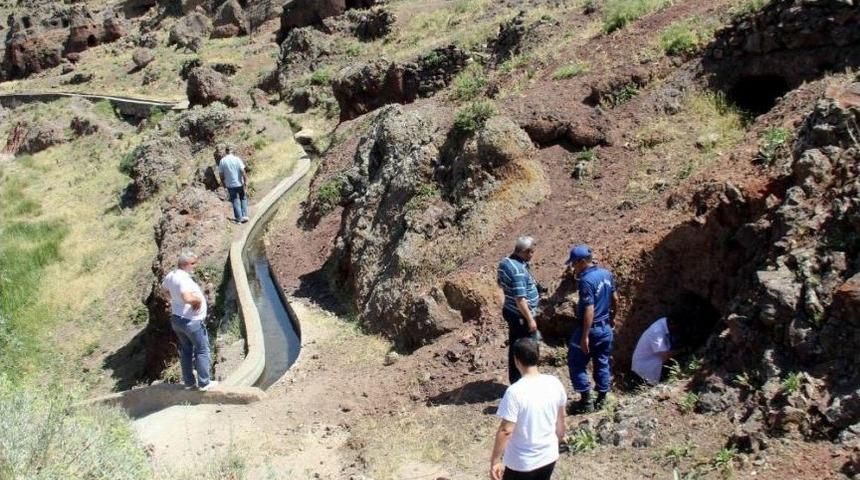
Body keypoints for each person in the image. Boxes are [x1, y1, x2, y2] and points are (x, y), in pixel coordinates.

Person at [490, 338, 566, 480]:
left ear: (516, 360)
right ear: (538, 356)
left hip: (522, 463)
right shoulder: (554, 383)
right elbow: (561, 418)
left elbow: (506, 430)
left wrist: (495, 461)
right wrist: (560, 438)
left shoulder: (515, 392)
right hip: (549, 456)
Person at [565, 244, 618, 413]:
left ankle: (586, 400)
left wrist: (585, 336)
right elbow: (615, 298)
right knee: (602, 361)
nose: (573, 267)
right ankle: (602, 398)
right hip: (605, 329)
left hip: (591, 329)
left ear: (581, 262)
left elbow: (589, 309)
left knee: (576, 361)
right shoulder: (606, 274)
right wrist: (612, 318)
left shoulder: (586, 281)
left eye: (574, 263)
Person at [161, 251, 218, 391]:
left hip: (177, 320)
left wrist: (174, 300)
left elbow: (163, 290)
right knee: (202, 350)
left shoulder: (171, 275)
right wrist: (197, 300)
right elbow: (187, 297)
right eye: (193, 263)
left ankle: (189, 383)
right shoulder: (184, 279)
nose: (195, 266)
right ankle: (204, 383)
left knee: (186, 350)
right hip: (191, 322)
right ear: (185, 264)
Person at [497, 236, 542, 384]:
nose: (532, 256)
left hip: (510, 310)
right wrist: (530, 320)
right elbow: (520, 300)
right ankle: (520, 380)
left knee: (516, 344)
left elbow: (500, 283)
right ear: (525, 251)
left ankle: (517, 378)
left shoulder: (505, 262)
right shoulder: (518, 271)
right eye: (531, 252)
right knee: (523, 347)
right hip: (520, 315)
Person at [631, 316, 684, 385]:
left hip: (650, 364)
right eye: (676, 328)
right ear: (672, 325)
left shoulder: (664, 323)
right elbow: (665, 356)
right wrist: (682, 350)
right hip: (643, 370)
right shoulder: (657, 331)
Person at [218, 145, 249, 223]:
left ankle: (239, 218)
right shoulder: (237, 159)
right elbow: (243, 171)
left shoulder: (222, 161)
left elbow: (221, 174)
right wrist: (245, 181)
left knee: (235, 200)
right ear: (232, 151)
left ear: (226, 151)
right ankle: (245, 215)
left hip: (229, 185)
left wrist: (223, 183)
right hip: (239, 183)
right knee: (243, 198)